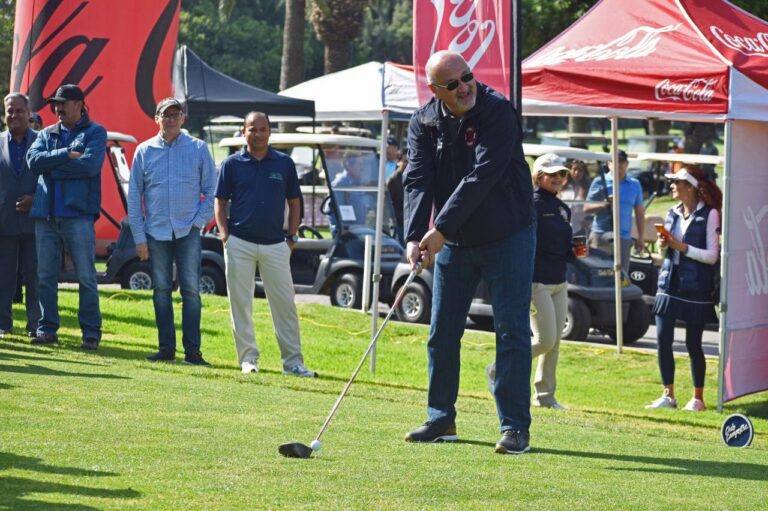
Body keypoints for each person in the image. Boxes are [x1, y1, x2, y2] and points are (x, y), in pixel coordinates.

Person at [402, 51, 536, 455]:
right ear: (435, 90)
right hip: (457, 241)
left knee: (511, 330)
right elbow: (417, 179)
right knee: (442, 331)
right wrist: (414, 236)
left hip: (508, 233)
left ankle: (514, 427)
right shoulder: (423, 122)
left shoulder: (498, 112)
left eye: (468, 76)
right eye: (453, 84)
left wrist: (440, 229)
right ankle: (441, 418)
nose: (464, 87)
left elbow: (481, 177)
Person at [215, 111, 316, 377]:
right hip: (239, 242)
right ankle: (248, 360)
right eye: (252, 129)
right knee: (241, 304)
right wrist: (225, 235)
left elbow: (294, 202)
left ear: (270, 132)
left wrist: (291, 237)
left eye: (262, 129)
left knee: (285, 305)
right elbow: (220, 202)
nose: (257, 134)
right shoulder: (231, 164)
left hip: (275, 244)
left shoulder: (284, 163)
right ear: (243, 131)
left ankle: (293, 363)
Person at [486, 154, 584, 410]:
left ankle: (544, 396)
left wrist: (574, 251)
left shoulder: (562, 208)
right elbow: (522, 244)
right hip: (535, 282)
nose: (558, 178)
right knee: (544, 340)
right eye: (552, 174)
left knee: (555, 343)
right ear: (538, 177)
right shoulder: (530, 204)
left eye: (562, 174)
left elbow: (559, 246)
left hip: (559, 281)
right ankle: (498, 369)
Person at [128, 97, 216, 366]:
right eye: (165, 115)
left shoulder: (198, 148)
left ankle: (193, 352)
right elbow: (134, 197)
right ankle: (166, 349)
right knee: (161, 290)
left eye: (175, 115)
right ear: (156, 119)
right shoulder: (144, 151)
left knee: (191, 291)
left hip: (188, 231)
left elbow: (212, 190)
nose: (171, 119)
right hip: (156, 233)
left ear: (183, 119)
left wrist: (198, 222)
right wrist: (139, 238)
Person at [26, 84, 106, 350]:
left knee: (86, 277)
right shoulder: (46, 133)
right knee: (45, 277)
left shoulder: (95, 132)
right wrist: (65, 155)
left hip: (78, 216)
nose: (57, 108)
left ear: (79, 104)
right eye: (55, 104)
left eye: (63, 103)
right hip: (45, 215)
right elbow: (33, 162)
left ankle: (91, 333)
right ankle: (46, 329)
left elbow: (90, 166)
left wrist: (51, 169)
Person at [646, 166, 721, 412]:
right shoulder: (672, 212)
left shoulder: (710, 214)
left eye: (676, 182)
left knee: (693, 344)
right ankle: (668, 396)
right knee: (662, 339)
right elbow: (665, 250)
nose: (672, 186)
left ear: (689, 187)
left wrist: (682, 247)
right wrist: (663, 244)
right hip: (669, 282)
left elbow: (712, 256)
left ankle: (698, 399)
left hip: (696, 286)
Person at [0, 93, 40, 339]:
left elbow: (50, 179)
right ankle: (3, 324)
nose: (14, 115)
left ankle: (36, 326)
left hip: (35, 222)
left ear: (29, 113)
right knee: (3, 277)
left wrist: (34, 200)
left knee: (36, 277)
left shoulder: (42, 142)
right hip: (4, 222)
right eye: (9, 111)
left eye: (19, 111)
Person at [584, 149, 645, 271]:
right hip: (600, 236)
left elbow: (639, 212)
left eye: (621, 161)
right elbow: (586, 208)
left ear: (627, 164)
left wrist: (641, 237)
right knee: (599, 275)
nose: (618, 164)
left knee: (622, 276)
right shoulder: (599, 181)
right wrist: (605, 203)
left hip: (623, 238)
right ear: (609, 164)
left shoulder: (635, 184)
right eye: (614, 161)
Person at [386, 156, 407, 244]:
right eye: (405, 161)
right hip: (398, 223)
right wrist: (400, 216)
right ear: (398, 162)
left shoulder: (412, 177)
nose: (407, 164)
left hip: (409, 221)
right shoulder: (393, 180)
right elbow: (388, 204)